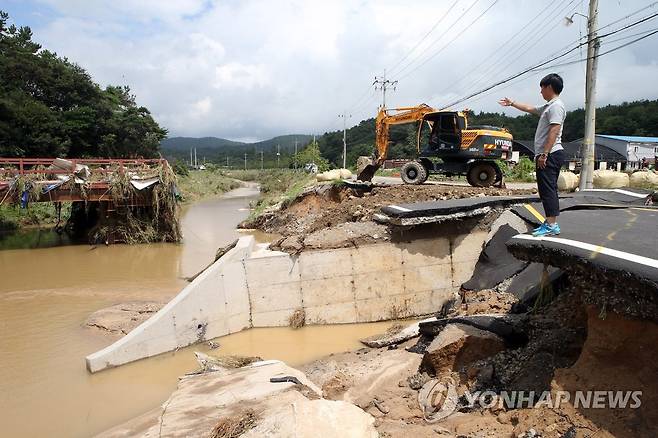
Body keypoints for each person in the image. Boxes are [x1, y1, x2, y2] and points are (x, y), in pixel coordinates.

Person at [498, 73, 566, 237]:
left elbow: (554, 130)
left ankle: (551, 225)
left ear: (549, 87)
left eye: (542, 88)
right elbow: (530, 108)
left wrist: (544, 154)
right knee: (547, 189)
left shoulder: (556, 106)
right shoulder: (549, 106)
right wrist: (513, 103)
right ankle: (550, 222)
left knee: (548, 189)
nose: (540, 92)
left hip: (550, 154)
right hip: (549, 154)